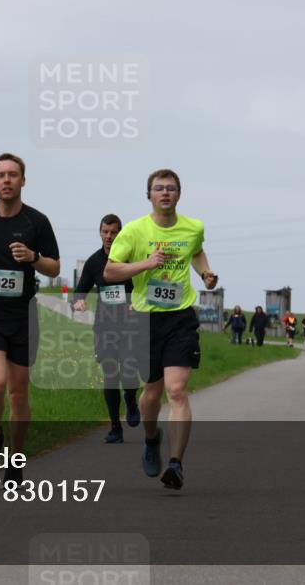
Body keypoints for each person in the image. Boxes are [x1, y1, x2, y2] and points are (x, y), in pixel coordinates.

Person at [105, 168, 218, 490]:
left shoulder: (193, 227)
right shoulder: (134, 232)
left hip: (180, 316)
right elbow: (111, 271)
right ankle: (151, 437)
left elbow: (195, 251)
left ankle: (176, 463)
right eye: (159, 188)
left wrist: (206, 273)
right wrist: (146, 264)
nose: (165, 193)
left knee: (177, 390)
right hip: (145, 318)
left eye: (170, 188)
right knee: (150, 395)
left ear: (178, 194)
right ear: (149, 195)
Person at [0, 153, 60, 484]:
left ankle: (16, 461)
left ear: (22, 181)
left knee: (19, 393)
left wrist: (33, 257)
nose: (6, 180)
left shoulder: (37, 222)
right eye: (0, 175)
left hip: (23, 317)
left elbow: (55, 267)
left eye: (12, 175)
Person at [72, 214, 140, 444]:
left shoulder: (131, 259)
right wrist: (79, 301)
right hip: (105, 326)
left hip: (130, 326)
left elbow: (144, 287)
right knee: (110, 376)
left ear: (121, 233)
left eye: (114, 232)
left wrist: (135, 301)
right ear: (100, 232)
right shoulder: (93, 262)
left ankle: (130, 398)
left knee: (129, 369)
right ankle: (115, 428)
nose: (109, 236)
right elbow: (80, 290)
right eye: (105, 232)